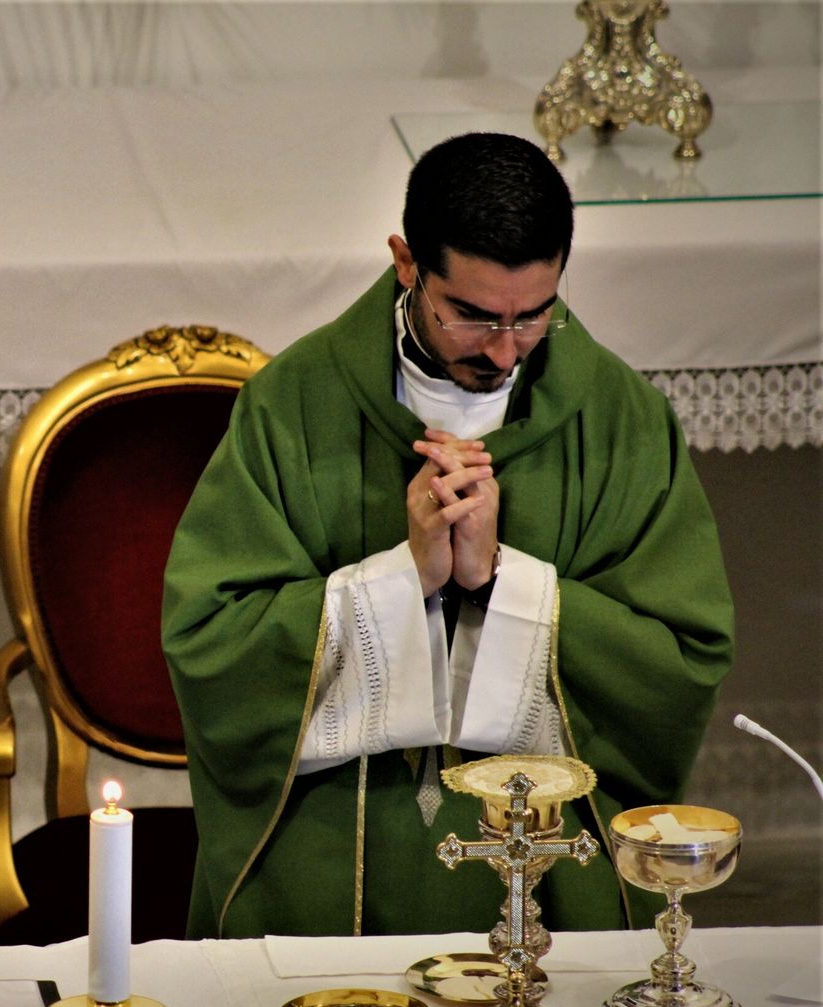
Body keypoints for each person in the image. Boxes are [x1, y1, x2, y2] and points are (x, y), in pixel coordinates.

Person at [162, 132, 733, 939]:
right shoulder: (291, 406)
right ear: (406, 262)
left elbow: (682, 660)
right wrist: (405, 580)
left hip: (550, 857)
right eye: (471, 315)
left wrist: (502, 579)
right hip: (324, 861)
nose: (504, 351)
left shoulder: (621, 421)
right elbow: (208, 644)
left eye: (533, 316)